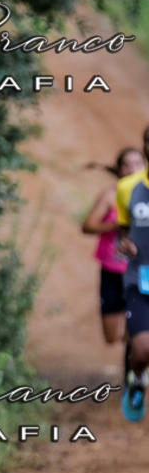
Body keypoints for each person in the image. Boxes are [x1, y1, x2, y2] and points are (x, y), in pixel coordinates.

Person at [81, 148, 144, 345]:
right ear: (119, 169)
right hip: (112, 270)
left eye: (137, 164)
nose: (131, 169)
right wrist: (116, 225)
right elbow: (87, 226)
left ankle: (137, 358)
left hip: (141, 272)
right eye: (126, 164)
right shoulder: (110, 195)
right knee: (112, 337)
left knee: (141, 332)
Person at [116, 127, 149, 421]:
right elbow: (122, 231)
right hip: (139, 279)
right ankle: (138, 379)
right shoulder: (128, 187)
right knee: (142, 350)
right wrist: (123, 243)